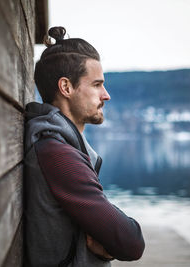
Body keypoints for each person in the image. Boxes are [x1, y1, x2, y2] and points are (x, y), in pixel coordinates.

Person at [24, 26, 145, 267]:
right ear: (66, 87)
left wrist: (105, 246)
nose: (106, 95)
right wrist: (108, 245)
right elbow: (132, 242)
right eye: (97, 84)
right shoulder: (57, 154)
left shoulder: (61, 146)